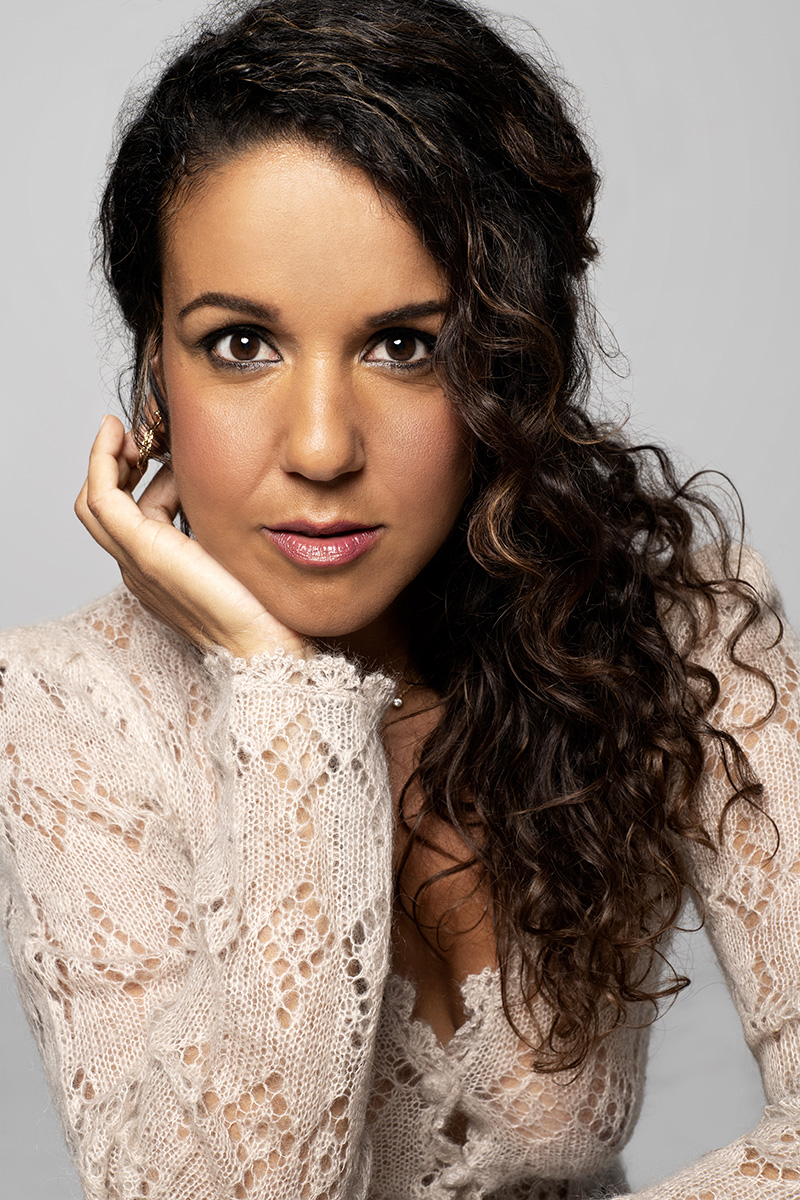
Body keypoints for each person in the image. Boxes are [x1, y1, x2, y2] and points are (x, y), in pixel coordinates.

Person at [0, 0, 797, 1197]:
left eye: (405, 346)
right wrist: (276, 687)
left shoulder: (673, 630)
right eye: (239, 344)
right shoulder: (65, 710)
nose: (322, 447)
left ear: (505, 365)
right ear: (153, 370)